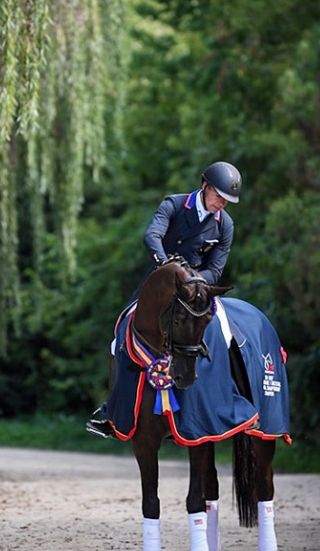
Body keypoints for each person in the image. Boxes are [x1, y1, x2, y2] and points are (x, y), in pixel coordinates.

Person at [86, 160, 242, 438]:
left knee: (227, 335)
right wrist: (168, 267)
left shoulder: (225, 225)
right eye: (219, 195)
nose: (222, 203)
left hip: (196, 291)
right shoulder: (174, 204)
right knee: (119, 338)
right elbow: (152, 235)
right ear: (205, 186)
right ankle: (112, 412)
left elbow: (216, 269)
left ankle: (231, 405)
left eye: (227, 200)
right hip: (159, 285)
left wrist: (192, 284)